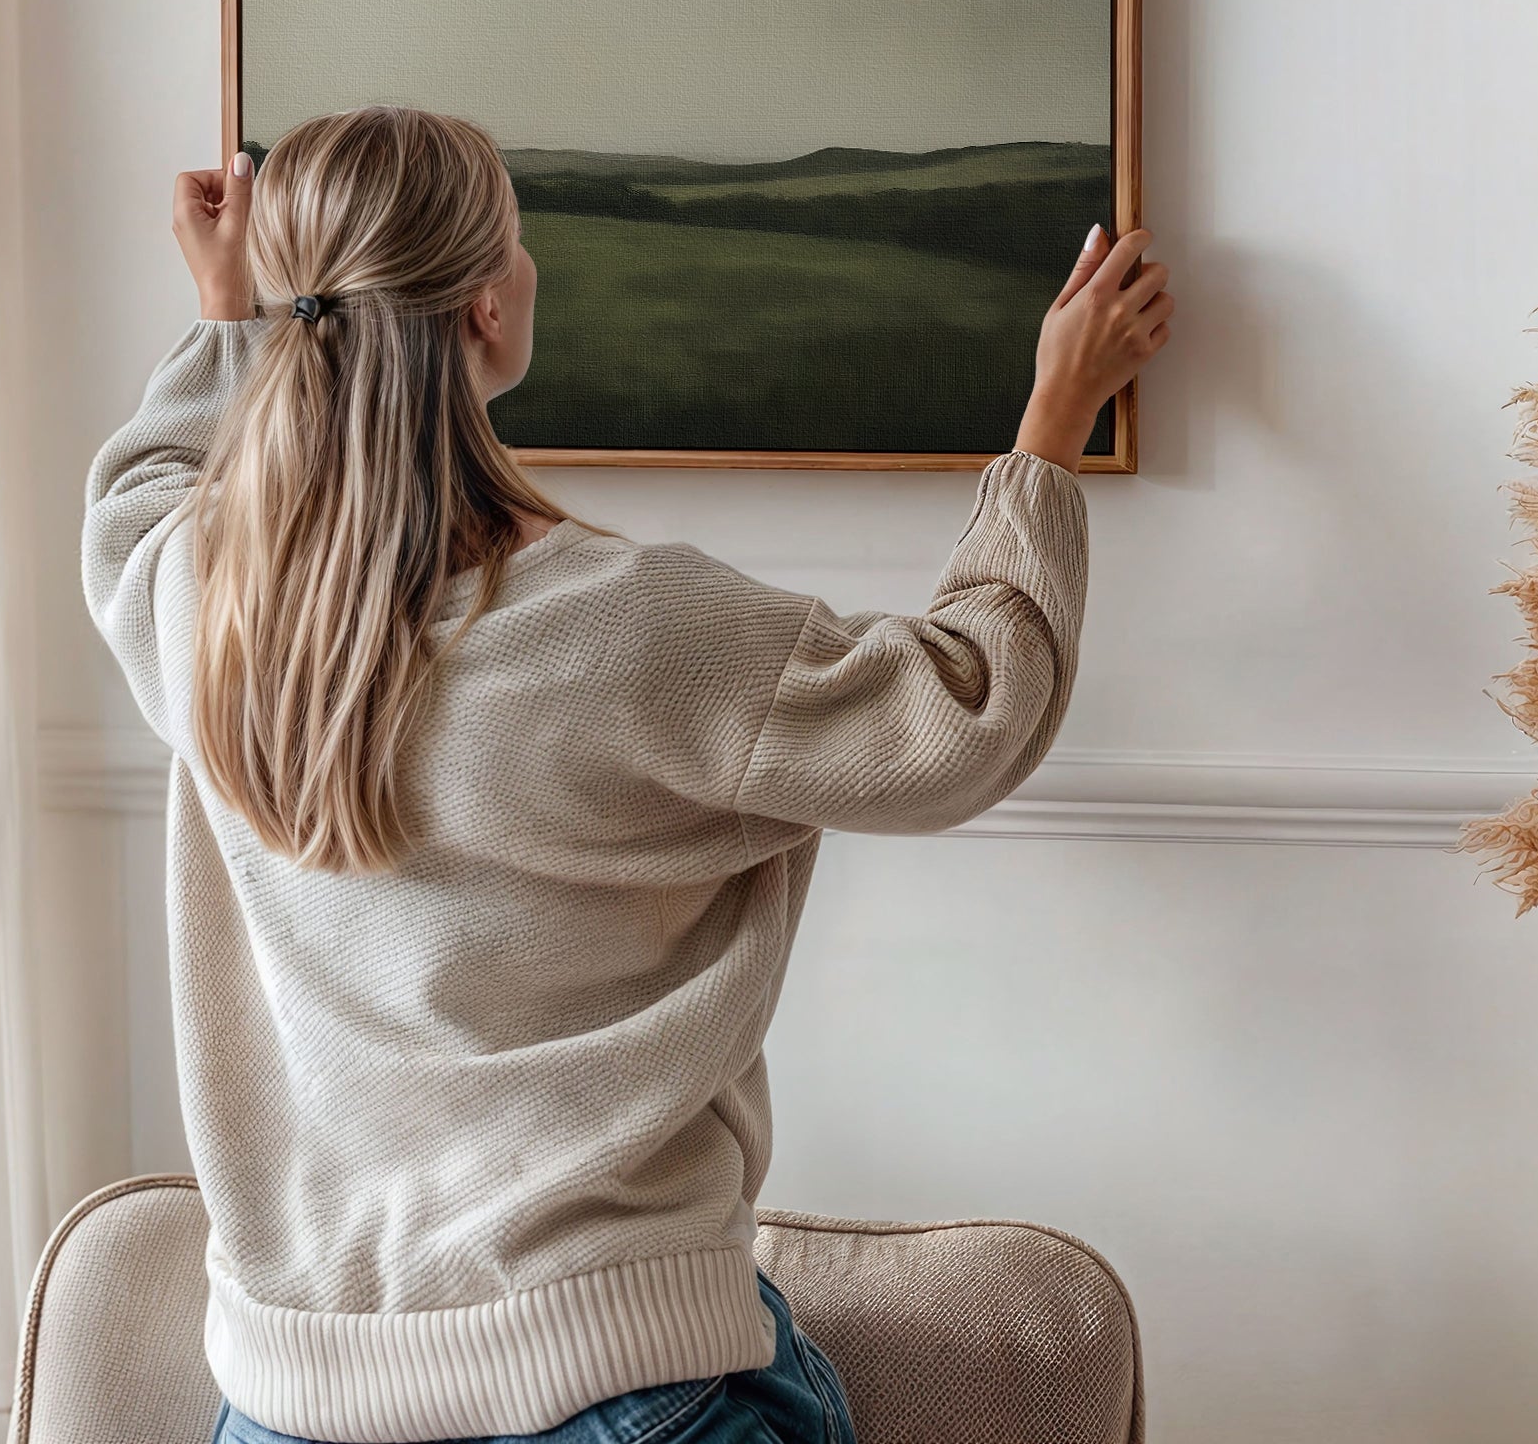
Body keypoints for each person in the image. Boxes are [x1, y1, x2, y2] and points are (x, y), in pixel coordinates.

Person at [83, 104, 1173, 1444]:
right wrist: (1051, 423)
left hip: (284, 1408)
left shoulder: (202, 607)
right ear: (487, 310)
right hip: (612, 1392)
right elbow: (963, 710)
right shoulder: (626, 627)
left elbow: (133, 497)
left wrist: (226, 315)